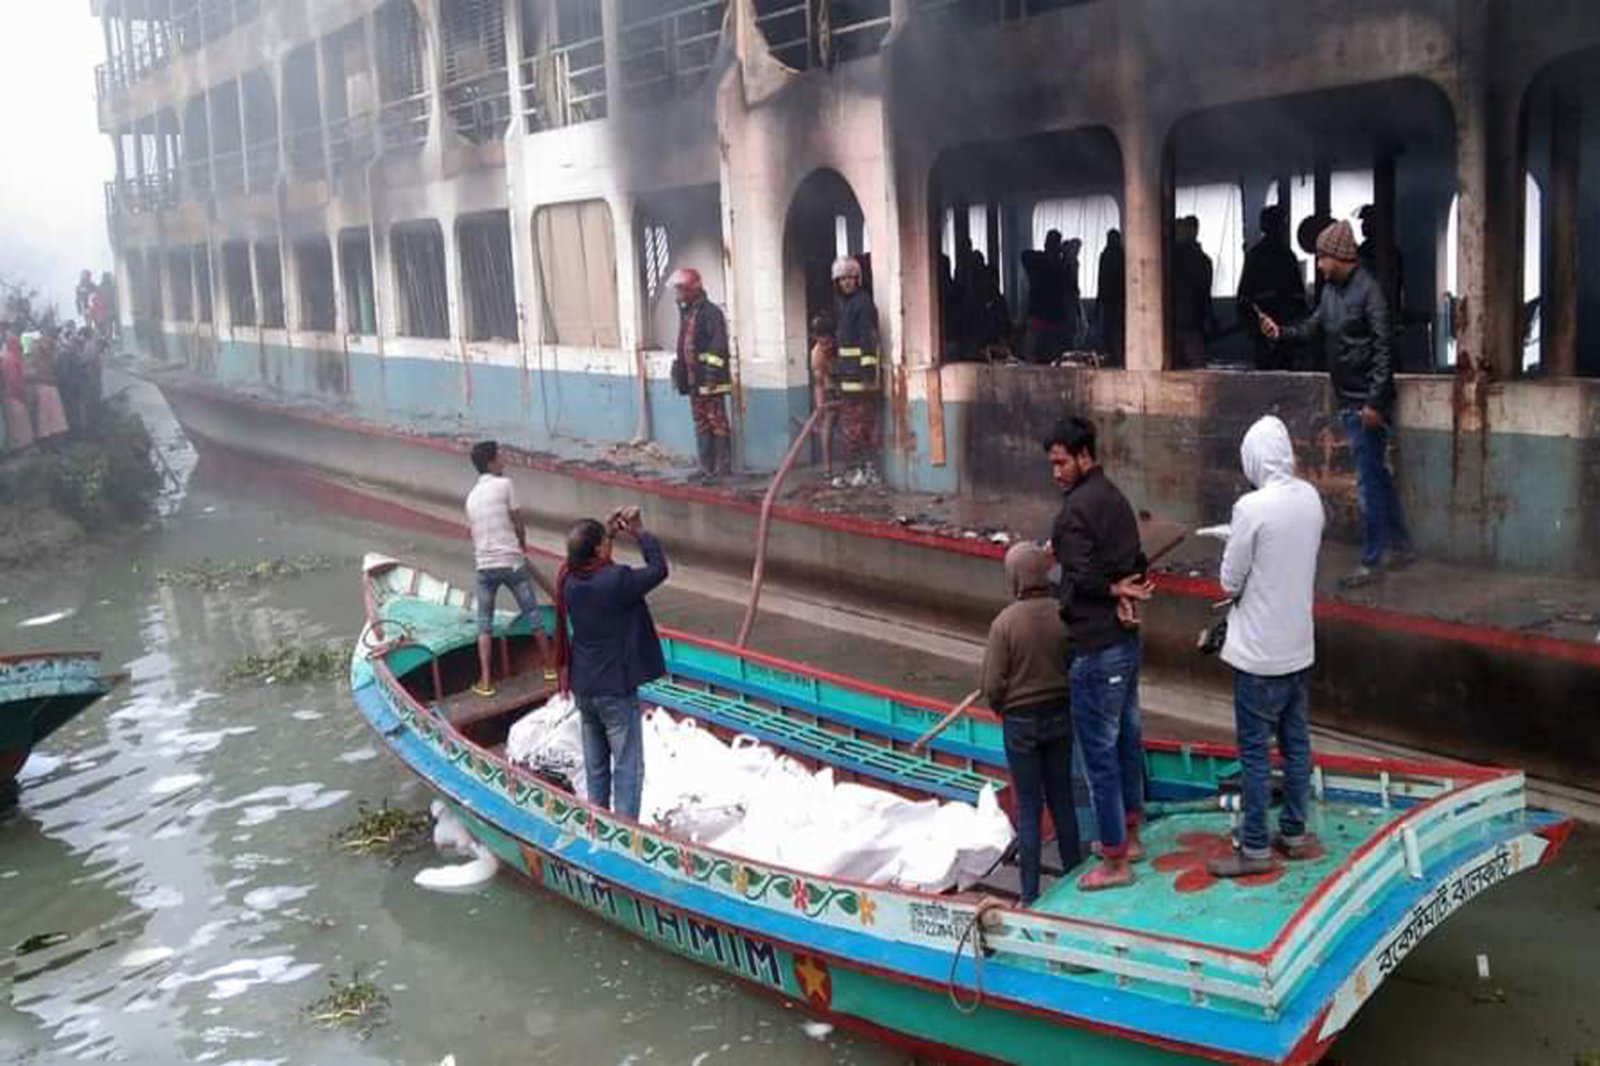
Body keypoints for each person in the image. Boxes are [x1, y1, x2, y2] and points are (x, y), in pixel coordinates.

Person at [1259, 220, 1414, 587]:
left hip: (1366, 405)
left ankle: (1372, 561)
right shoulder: (1330, 292)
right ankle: (1403, 546)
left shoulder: (1370, 291)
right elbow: (1312, 327)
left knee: (1368, 485)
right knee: (1378, 477)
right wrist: (1281, 333)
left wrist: (1374, 403)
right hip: (1348, 399)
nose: (1319, 265)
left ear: (1339, 256)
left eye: (1322, 257)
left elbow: (1384, 350)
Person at [1206, 416, 1326, 876]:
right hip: (1298, 647)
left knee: (1255, 754)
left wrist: (1232, 541)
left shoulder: (1250, 508)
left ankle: (1254, 848)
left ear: (1253, 458)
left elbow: (1230, 580)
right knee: (1296, 746)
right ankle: (1294, 833)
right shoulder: (1310, 499)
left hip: (1258, 656)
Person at [1046, 416, 1152, 891]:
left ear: (1084, 455)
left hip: (1096, 647)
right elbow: (1137, 562)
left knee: (1098, 755)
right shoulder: (1115, 498)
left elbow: (1081, 576)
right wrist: (1125, 591)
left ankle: (1114, 860)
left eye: (1061, 462)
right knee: (1126, 739)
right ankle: (1130, 834)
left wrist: (1109, 590)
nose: (1056, 472)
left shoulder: (1073, 513)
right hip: (1125, 642)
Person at [980, 541, 1081, 905]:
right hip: (1060, 713)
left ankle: (1029, 893)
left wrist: (1003, 708)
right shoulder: (1063, 614)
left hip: (1021, 721)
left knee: (1028, 805)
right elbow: (1075, 661)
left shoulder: (1004, 624)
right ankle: (1074, 875)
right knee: (1062, 798)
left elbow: (992, 684)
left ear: (1015, 578)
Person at [554, 509, 669, 820]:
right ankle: (625, 830)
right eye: (605, 543)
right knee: (628, 766)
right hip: (614, 688)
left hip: (584, 686)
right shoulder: (616, 580)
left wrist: (607, 533)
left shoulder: (567, 579)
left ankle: (598, 821)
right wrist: (640, 531)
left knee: (596, 767)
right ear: (598, 550)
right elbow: (658, 569)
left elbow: (582, 556)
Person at [465, 440, 553, 698]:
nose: (503, 460)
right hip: (512, 562)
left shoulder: (471, 498)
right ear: (491, 462)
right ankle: (550, 668)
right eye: (500, 456)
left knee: (484, 624)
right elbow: (518, 521)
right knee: (533, 614)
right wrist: (522, 543)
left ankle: (485, 682)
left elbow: (474, 532)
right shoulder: (505, 484)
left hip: (485, 567)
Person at [668, 267, 733, 483]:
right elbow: (686, 346)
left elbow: (718, 347)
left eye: (681, 290)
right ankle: (706, 468)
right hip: (694, 382)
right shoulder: (687, 313)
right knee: (701, 423)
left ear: (692, 289)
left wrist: (712, 375)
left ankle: (722, 470)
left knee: (717, 423)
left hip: (709, 382)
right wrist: (679, 369)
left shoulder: (711, 313)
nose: (678, 295)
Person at [1236, 206, 1308, 371]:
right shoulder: (1280, 255)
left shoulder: (1266, 255)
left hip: (1280, 328)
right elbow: (1245, 297)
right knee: (1276, 368)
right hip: (1268, 326)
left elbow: (1244, 296)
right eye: (1280, 224)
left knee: (1273, 368)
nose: (1281, 228)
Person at [832, 257, 882, 486]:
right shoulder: (843, 304)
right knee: (851, 426)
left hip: (862, 379)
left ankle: (867, 470)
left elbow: (867, 337)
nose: (846, 282)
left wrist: (867, 369)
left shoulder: (863, 303)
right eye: (842, 279)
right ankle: (855, 470)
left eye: (850, 278)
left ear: (857, 279)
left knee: (862, 426)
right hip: (848, 377)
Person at [1172, 216, 1215, 369]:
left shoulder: (1168, 261)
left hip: (1173, 328)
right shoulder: (1203, 261)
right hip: (1193, 326)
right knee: (1197, 374)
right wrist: (1211, 322)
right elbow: (1205, 297)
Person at [1021, 231, 1069, 365]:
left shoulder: (1041, 262)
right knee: (1046, 363)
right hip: (1046, 323)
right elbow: (1024, 255)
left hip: (1046, 323)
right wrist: (1061, 255)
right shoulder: (1051, 264)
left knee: (1046, 363)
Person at [809, 311, 840, 479]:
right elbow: (819, 383)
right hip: (830, 386)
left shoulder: (842, 344)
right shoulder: (817, 354)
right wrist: (820, 405)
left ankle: (854, 464)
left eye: (828, 342)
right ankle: (827, 468)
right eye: (822, 343)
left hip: (846, 383)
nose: (826, 346)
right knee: (828, 422)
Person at [26, 336, 70, 442]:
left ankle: (52, 438)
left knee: (52, 415)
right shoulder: (37, 359)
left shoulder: (49, 358)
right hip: (44, 387)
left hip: (48, 387)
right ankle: (47, 439)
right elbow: (30, 373)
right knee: (46, 416)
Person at [1096, 229, 1125, 366]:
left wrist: (1098, 303)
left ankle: (1112, 357)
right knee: (1116, 331)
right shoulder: (1121, 255)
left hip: (1110, 300)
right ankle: (1117, 358)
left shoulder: (1106, 256)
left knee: (1110, 331)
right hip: (1118, 300)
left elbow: (1101, 280)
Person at [1, 333, 33, 450]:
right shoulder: (12, 359)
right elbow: (14, 378)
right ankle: (22, 445)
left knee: (14, 421)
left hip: (9, 393)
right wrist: (20, 393)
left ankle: (17, 445)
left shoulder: (7, 358)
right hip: (14, 393)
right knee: (20, 420)